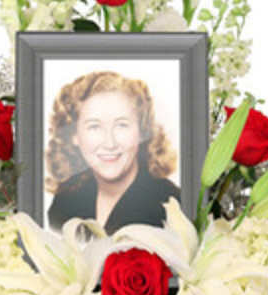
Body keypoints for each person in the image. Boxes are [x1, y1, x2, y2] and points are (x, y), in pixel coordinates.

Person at [46, 71, 180, 235]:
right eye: (94, 126)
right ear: (74, 136)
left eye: (121, 125)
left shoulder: (174, 209)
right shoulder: (64, 203)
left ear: (142, 132)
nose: (110, 143)